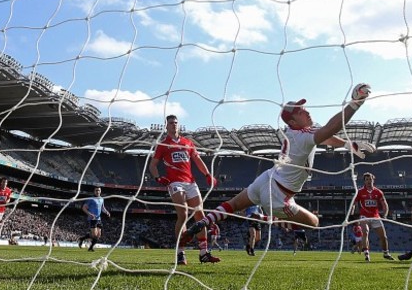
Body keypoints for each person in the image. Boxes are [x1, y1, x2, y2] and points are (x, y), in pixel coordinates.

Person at [182, 83, 376, 259]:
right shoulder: (303, 137)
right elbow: (330, 130)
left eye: (304, 108)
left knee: (232, 204)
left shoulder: (300, 132)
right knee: (314, 222)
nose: (306, 112)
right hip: (279, 195)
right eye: (300, 111)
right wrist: (355, 102)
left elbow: (324, 137)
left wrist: (348, 144)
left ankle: (205, 221)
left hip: (266, 178)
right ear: (292, 121)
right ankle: (267, 218)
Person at [148, 114, 220, 265]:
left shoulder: (188, 142)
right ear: (166, 126)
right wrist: (158, 178)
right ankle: (180, 253)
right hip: (175, 183)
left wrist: (207, 174)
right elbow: (152, 165)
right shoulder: (162, 145)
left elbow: (198, 160)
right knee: (183, 213)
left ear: (178, 125)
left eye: (176, 122)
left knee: (200, 214)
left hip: (191, 182)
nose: (174, 125)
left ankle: (203, 253)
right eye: (171, 123)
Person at [354, 172, 394, 261]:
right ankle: (366, 254)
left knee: (383, 237)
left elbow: (384, 204)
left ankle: (386, 253)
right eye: (367, 180)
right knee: (365, 232)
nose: (369, 181)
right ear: (364, 181)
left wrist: (385, 214)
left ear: (373, 180)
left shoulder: (378, 192)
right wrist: (353, 212)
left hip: (375, 216)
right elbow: (354, 202)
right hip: (364, 216)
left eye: (370, 179)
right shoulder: (360, 192)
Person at [78, 187, 110, 252]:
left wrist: (107, 212)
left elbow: (102, 208)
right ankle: (85, 242)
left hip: (99, 219)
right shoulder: (91, 199)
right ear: (94, 191)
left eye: (99, 190)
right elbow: (84, 208)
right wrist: (89, 214)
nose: (97, 191)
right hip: (92, 219)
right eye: (96, 190)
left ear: (100, 191)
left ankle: (87, 244)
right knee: (94, 235)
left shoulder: (101, 199)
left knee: (98, 235)